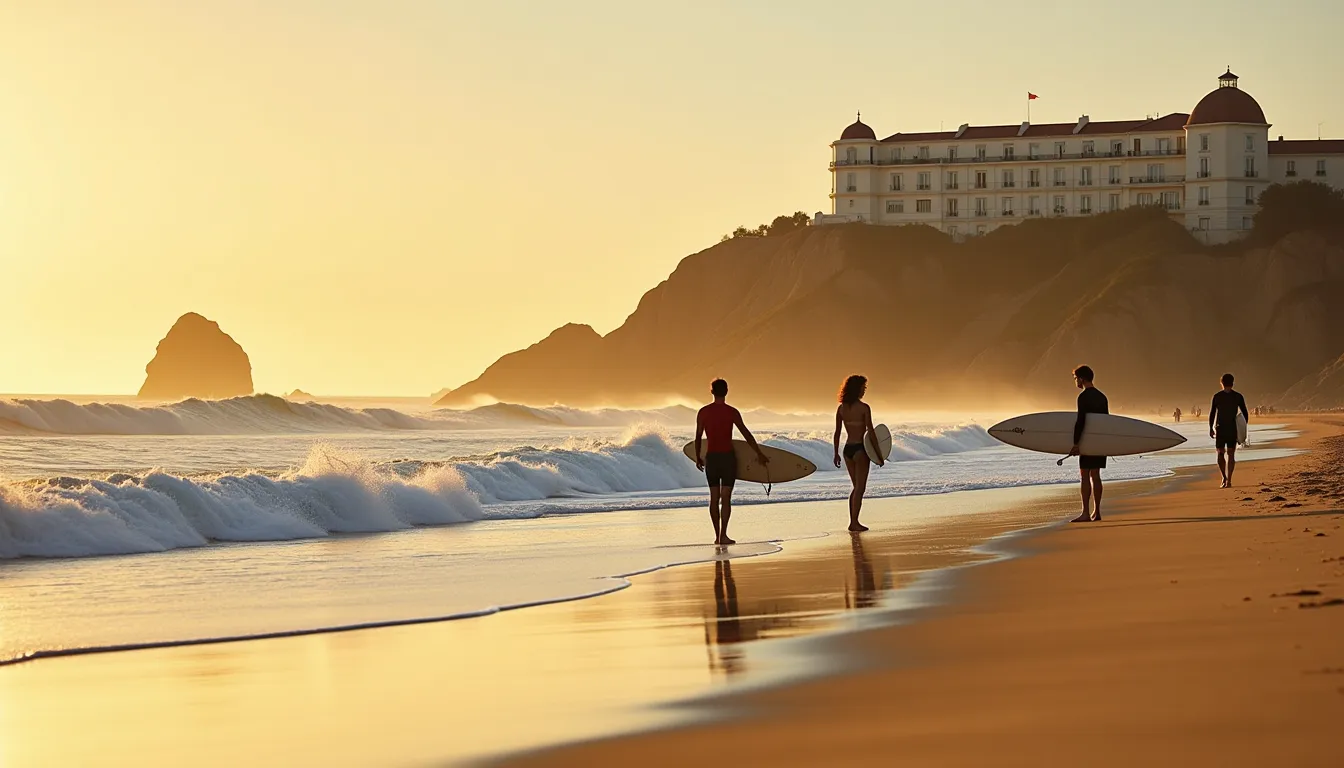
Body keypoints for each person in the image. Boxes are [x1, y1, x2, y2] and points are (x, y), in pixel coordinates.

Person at [694, 378, 768, 545]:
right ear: (726, 391)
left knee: (714, 497)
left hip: (711, 459)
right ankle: (723, 535)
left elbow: (698, 437)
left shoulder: (703, 412)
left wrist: (698, 456)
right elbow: (746, 434)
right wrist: (759, 453)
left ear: (712, 391)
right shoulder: (732, 412)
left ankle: (717, 536)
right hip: (728, 458)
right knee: (725, 497)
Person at [832, 375, 884, 533]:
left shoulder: (841, 408)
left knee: (856, 488)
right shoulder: (864, 408)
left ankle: (853, 521)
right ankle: (854, 523)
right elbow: (871, 433)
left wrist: (836, 453)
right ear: (857, 389)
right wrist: (879, 455)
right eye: (863, 387)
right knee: (859, 488)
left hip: (847, 450)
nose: (864, 390)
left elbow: (837, 433)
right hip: (861, 450)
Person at [1067, 365, 1109, 523]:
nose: (1076, 381)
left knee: (1085, 475)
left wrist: (1076, 443)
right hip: (1099, 441)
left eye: (1076, 378)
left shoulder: (1083, 397)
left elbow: (1081, 421)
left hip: (1087, 441)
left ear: (1082, 378)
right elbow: (1105, 421)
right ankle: (1097, 512)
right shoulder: (1102, 396)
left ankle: (1085, 513)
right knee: (1096, 475)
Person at [1209, 373, 1250, 489]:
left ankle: (1224, 478)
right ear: (1233, 382)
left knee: (1220, 453)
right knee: (1231, 454)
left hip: (1220, 428)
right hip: (1233, 428)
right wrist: (1243, 429)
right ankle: (1229, 480)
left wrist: (1210, 428)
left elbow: (1212, 413)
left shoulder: (1217, 396)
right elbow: (1245, 414)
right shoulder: (1238, 396)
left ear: (1221, 383)